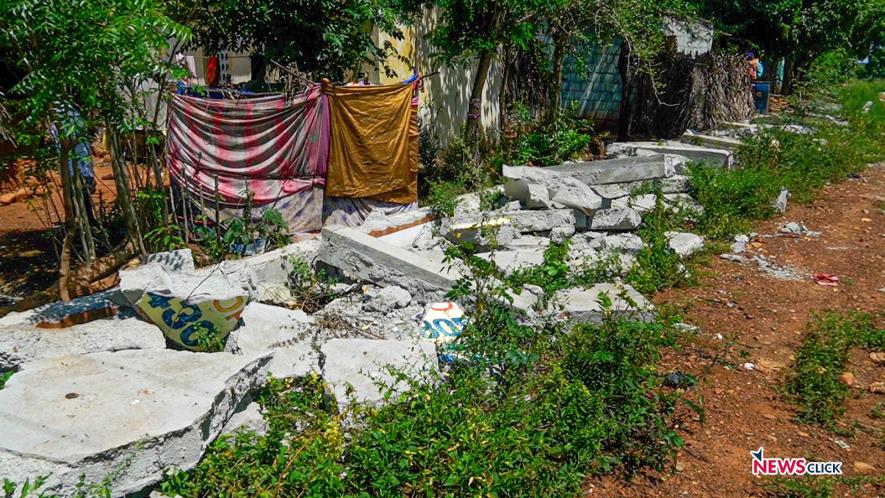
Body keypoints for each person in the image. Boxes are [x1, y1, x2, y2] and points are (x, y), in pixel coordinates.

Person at [50, 108, 97, 224]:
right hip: (82, 165)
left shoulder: (57, 123)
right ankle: (86, 219)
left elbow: (58, 145)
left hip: (73, 165)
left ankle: (81, 219)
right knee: (83, 191)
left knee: (76, 191)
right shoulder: (78, 117)